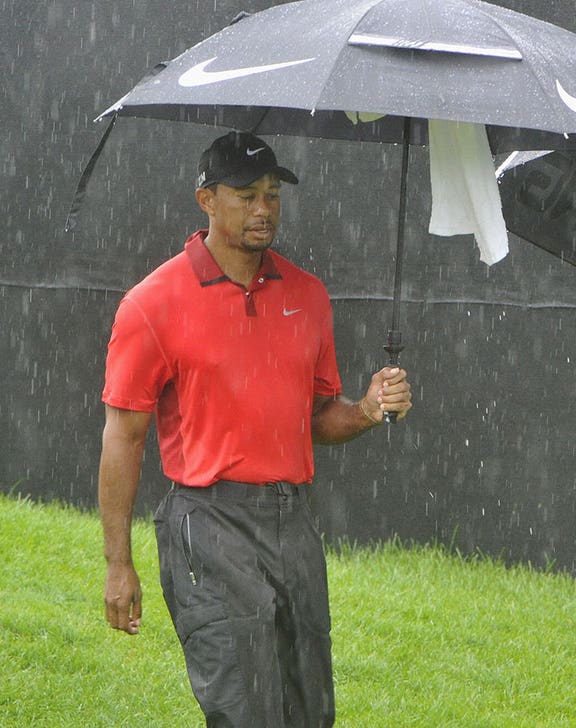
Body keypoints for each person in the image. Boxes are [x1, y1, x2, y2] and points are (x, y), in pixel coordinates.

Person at [97, 130, 412, 727]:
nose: (263, 209)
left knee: (308, 711)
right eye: (246, 195)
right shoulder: (153, 303)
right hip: (207, 525)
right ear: (207, 199)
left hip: (293, 524)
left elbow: (319, 418)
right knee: (246, 712)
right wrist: (119, 563)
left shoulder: (308, 295)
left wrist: (368, 410)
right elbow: (124, 437)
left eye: (272, 194)